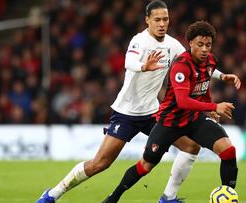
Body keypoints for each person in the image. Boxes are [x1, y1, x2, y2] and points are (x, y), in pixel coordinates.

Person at [36, 1, 231, 203]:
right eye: (157, 19)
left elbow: (195, 61)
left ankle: (168, 198)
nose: (162, 23)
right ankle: (53, 194)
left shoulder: (173, 45)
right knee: (100, 163)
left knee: (191, 147)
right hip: (126, 113)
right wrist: (143, 66)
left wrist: (222, 76)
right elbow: (129, 62)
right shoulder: (140, 41)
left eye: (165, 19)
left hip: (154, 113)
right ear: (147, 20)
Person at [101, 21, 240, 203]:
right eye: (200, 44)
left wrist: (209, 105)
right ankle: (113, 197)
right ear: (190, 43)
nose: (205, 49)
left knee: (228, 151)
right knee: (146, 165)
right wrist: (215, 107)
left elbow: (203, 88)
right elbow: (182, 101)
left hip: (193, 119)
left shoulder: (210, 61)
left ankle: (226, 198)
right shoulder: (181, 65)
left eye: (208, 45)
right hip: (170, 122)